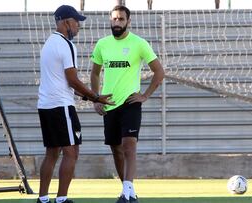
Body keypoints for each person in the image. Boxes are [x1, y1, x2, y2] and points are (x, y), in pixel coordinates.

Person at [37, 5, 114, 203]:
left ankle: (43, 199)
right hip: (61, 106)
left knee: (52, 153)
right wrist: (96, 97)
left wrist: (88, 96)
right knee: (72, 152)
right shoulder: (66, 45)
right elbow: (72, 80)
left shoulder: (48, 44)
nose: (79, 26)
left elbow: (67, 82)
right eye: (76, 22)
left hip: (45, 105)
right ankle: (62, 199)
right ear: (66, 23)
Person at [90, 5, 164, 203]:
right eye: (114, 19)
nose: (117, 22)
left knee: (129, 146)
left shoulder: (139, 43)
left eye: (121, 19)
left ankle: (127, 191)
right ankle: (128, 191)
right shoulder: (102, 44)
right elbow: (95, 73)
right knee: (116, 149)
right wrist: (96, 98)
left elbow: (159, 72)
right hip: (109, 104)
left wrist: (145, 95)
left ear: (128, 22)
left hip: (131, 103)